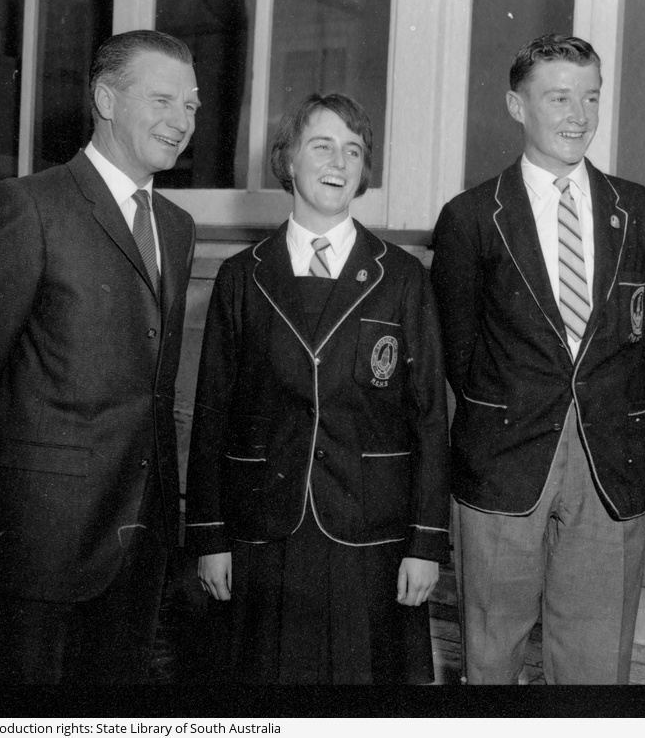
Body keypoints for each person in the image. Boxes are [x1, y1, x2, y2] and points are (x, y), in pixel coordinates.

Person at [0, 29, 199, 684]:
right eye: (163, 100)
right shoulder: (28, 206)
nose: (182, 121)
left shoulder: (177, 227)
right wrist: (32, 475)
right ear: (106, 98)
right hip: (42, 541)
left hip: (140, 538)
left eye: (192, 105)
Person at [430, 33, 645, 684]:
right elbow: (458, 351)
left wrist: (618, 411)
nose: (579, 115)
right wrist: (507, 409)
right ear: (518, 106)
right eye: (559, 98)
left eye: (591, 97)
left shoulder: (643, 213)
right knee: (491, 647)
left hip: (609, 461)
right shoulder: (469, 218)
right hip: (504, 459)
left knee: (597, 659)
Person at [184, 93, 450, 684]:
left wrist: (425, 544)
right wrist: (209, 535)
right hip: (265, 531)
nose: (339, 161)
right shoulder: (242, 276)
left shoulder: (401, 278)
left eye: (353, 150)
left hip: (369, 529)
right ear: (288, 160)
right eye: (322, 145)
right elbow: (212, 414)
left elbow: (430, 416)